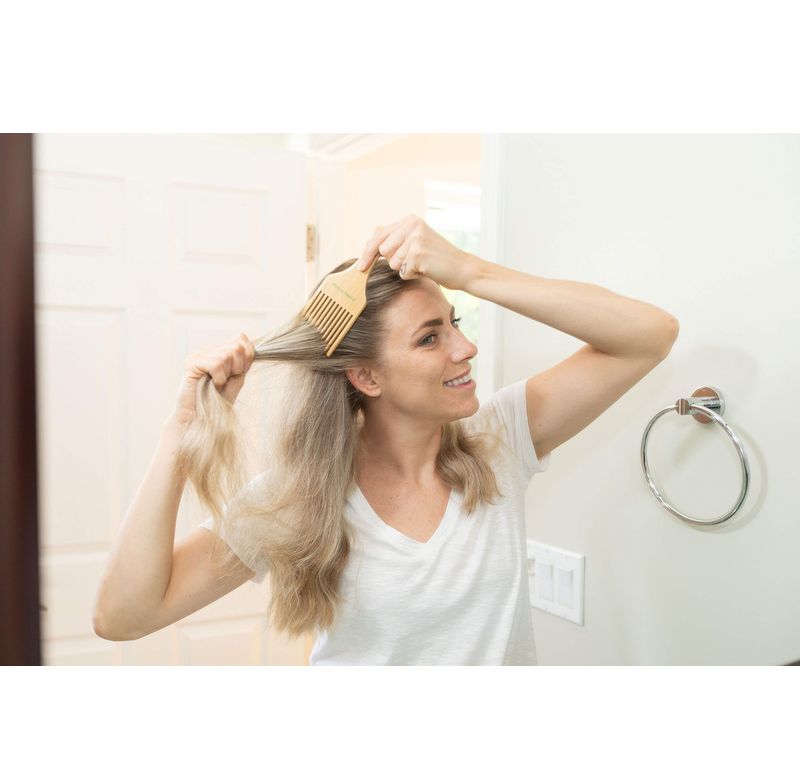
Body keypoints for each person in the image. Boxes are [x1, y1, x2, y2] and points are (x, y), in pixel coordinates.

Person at [93, 214, 678, 665]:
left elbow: (650, 336)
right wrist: (181, 435)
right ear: (366, 377)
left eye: (455, 322)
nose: (466, 348)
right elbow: (123, 617)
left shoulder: (499, 438)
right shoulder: (296, 499)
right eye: (430, 338)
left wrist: (467, 270)